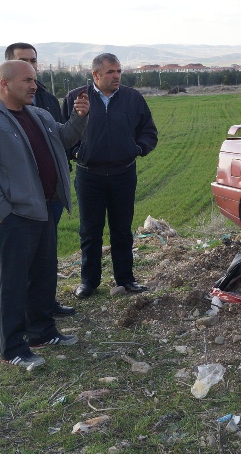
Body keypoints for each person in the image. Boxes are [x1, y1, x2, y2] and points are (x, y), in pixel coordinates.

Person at [0, 60, 89, 370]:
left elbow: (64, 138)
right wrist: (3, 214)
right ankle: (13, 348)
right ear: (4, 84)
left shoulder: (39, 114)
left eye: (34, 80)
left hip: (45, 208)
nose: (34, 86)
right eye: (27, 81)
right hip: (15, 216)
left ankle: (42, 331)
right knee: (14, 283)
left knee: (44, 274)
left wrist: (79, 117)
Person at [0, 43, 75, 317]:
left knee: (45, 259)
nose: (33, 74)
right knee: (18, 266)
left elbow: (59, 138)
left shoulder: (45, 100)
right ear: (6, 72)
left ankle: (43, 311)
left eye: (34, 62)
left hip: (48, 197)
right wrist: (1, 213)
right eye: (25, 63)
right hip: (15, 205)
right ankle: (18, 322)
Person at [63, 53, 158, 298]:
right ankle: (89, 282)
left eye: (118, 71)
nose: (116, 76)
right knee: (90, 231)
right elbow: (62, 133)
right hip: (89, 176)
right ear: (96, 75)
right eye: (110, 72)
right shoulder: (76, 98)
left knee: (122, 230)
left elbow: (148, 131)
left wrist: (136, 149)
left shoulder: (132, 98)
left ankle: (125, 279)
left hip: (123, 174)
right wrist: (76, 154)